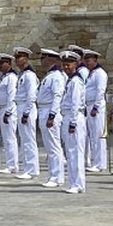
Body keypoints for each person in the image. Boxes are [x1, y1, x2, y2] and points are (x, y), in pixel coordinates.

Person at [59, 50, 87, 194]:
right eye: (64, 64)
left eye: (69, 64)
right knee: (71, 152)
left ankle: (78, 183)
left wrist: (73, 122)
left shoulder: (76, 81)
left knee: (75, 152)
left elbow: (76, 103)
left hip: (73, 117)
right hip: (68, 116)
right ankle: (74, 182)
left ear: (75, 64)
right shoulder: (70, 80)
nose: (66, 67)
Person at [37, 48, 66, 187]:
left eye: (43, 58)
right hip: (44, 109)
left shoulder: (56, 76)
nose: (41, 61)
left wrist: (52, 115)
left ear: (50, 59)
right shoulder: (49, 75)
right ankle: (54, 175)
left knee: (54, 147)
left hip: (50, 111)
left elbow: (57, 97)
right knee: (50, 147)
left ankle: (56, 176)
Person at [13, 47, 40, 180]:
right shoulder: (22, 74)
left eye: (20, 57)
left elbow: (31, 95)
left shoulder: (29, 75)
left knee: (29, 139)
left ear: (26, 58)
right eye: (17, 58)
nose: (18, 60)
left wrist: (26, 112)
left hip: (26, 108)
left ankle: (32, 169)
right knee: (24, 140)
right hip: (21, 106)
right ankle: (28, 167)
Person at [83, 49, 108, 173]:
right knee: (92, 136)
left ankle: (99, 163)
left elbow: (100, 91)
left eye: (89, 60)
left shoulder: (100, 73)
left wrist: (96, 107)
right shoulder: (91, 73)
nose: (87, 63)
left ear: (95, 60)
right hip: (89, 105)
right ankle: (96, 161)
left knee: (98, 136)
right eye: (86, 61)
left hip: (95, 106)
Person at [0, 53, 19, 174]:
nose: (0, 66)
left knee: (10, 138)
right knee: (6, 138)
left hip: (8, 109)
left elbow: (11, 95)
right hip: (2, 108)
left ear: (9, 64)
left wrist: (9, 112)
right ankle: (10, 163)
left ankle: (13, 165)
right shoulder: (3, 77)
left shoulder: (11, 77)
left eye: (3, 63)